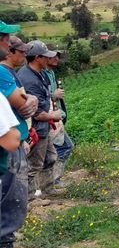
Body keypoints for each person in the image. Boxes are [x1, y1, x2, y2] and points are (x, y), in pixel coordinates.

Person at [0, 23, 37, 248]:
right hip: (6, 156)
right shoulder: (2, 75)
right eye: (4, 39)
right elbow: (11, 137)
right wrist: (30, 103)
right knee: (9, 213)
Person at [18, 40, 62, 199]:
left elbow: (43, 98)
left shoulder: (39, 73)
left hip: (44, 126)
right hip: (36, 128)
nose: (49, 59)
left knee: (50, 157)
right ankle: (28, 199)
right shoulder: (29, 79)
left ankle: (48, 189)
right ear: (37, 58)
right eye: (46, 57)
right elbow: (35, 112)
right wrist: (53, 115)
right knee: (33, 165)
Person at [43, 52, 74, 184]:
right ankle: (52, 180)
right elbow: (40, 95)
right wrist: (53, 95)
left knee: (56, 149)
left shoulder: (51, 73)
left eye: (57, 56)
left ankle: (51, 181)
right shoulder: (42, 74)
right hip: (48, 117)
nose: (56, 59)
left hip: (56, 116)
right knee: (65, 147)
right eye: (53, 56)